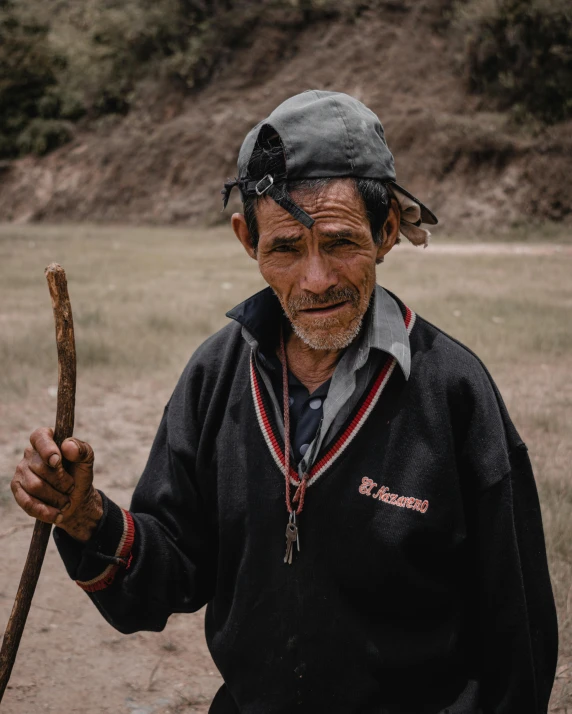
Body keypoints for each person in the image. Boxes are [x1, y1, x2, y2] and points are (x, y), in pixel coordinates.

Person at [11, 91, 558, 714]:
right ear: (248, 239)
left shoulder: (455, 393)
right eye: (287, 248)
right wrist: (86, 518)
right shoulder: (215, 376)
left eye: (341, 242)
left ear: (385, 234)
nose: (316, 279)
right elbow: (172, 571)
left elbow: (518, 633)